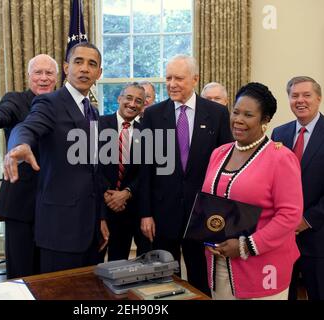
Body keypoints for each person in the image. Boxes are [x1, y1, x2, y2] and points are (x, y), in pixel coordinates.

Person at [3, 42, 109, 274]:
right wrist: (19, 145)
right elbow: (28, 126)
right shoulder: (49, 102)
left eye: (92, 64)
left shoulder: (92, 111)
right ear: (66, 67)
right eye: (78, 62)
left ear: (99, 73)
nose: (84, 69)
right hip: (59, 230)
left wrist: (100, 218)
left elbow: (93, 171)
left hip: (89, 229)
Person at [140, 54, 232, 295]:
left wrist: (219, 214)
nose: (172, 84)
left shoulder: (217, 114)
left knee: (201, 278)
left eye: (178, 78)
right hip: (163, 213)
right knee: (165, 281)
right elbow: (145, 170)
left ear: (195, 79)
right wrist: (146, 213)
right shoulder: (152, 115)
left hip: (201, 215)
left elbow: (225, 169)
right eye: (168, 78)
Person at [202, 82, 303, 299]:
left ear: (264, 120)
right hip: (218, 264)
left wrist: (245, 245)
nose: (238, 120)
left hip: (262, 267)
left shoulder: (281, 158)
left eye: (248, 115)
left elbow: (290, 216)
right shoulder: (219, 153)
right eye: (236, 112)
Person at [0, 54, 58, 279]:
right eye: (38, 73)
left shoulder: (63, 104)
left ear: (57, 77)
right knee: (22, 274)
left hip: (56, 205)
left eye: (49, 73)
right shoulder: (16, 100)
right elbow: (4, 112)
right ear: (29, 76)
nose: (43, 78)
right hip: (22, 203)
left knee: (51, 275)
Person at [271, 76, 324, 300]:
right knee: (285, 295)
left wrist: (305, 220)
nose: (300, 100)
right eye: (294, 96)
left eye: (306, 95)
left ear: (319, 98)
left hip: (320, 236)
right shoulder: (279, 134)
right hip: (283, 237)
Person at [98, 82, 145, 262]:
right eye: (129, 98)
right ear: (119, 99)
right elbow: (91, 166)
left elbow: (145, 172)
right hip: (100, 207)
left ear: (142, 106)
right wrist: (109, 195)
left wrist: (126, 193)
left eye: (138, 101)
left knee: (118, 266)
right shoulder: (99, 124)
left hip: (127, 211)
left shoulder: (146, 132)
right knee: (91, 265)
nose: (133, 104)